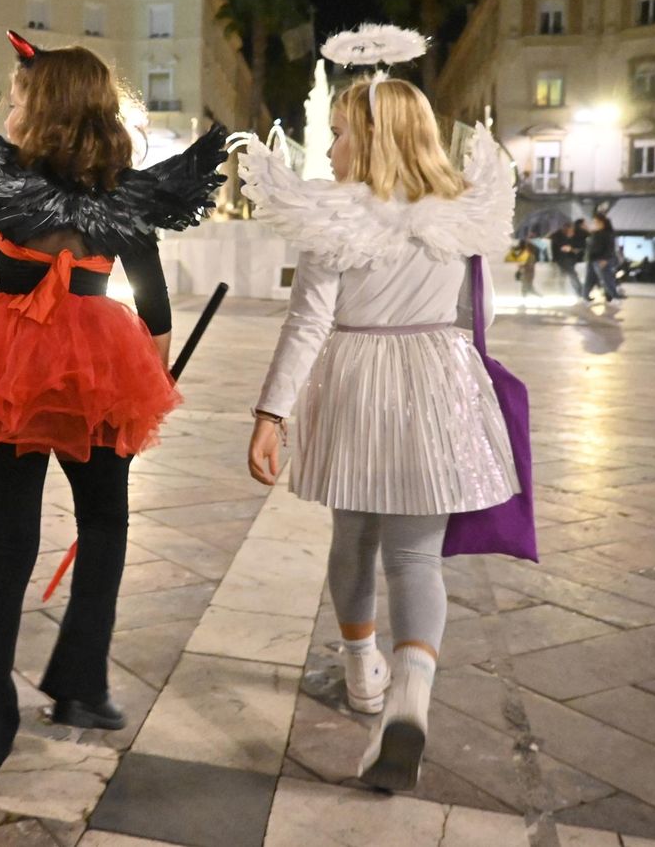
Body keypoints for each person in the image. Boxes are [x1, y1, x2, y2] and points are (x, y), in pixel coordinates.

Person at [0, 33, 226, 791]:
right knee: (105, 524)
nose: (11, 105)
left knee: (6, 548)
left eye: (20, 96)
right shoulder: (127, 193)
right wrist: (152, 374)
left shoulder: (3, 183)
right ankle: (80, 685)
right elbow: (153, 307)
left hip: (5, 362)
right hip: (99, 369)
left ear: (42, 107)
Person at [241, 71, 519, 793]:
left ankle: (363, 670)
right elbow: (479, 314)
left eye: (338, 132)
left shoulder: (333, 217)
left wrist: (272, 413)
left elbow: (309, 323)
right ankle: (409, 699)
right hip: (439, 376)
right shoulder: (463, 211)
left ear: (368, 139)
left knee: (354, 540)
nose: (328, 146)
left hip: (360, 377)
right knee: (416, 558)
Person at [584, 213, 622, 304]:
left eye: (596, 222)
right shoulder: (596, 233)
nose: (594, 224)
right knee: (590, 279)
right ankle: (585, 296)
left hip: (601, 259)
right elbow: (591, 246)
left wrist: (605, 259)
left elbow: (610, 248)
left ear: (602, 223)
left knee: (606, 279)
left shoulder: (608, 234)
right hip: (592, 259)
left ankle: (613, 296)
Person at [551, 222, 584, 295]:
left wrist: (572, 248)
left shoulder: (564, 235)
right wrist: (571, 249)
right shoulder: (559, 236)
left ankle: (562, 293)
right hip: (563, 259)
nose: (572, 231)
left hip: (567, 259)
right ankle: (580, 292)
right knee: (573, 275)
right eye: (571, 229)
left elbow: (572, 248)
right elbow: (564, 248)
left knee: (564, 275)